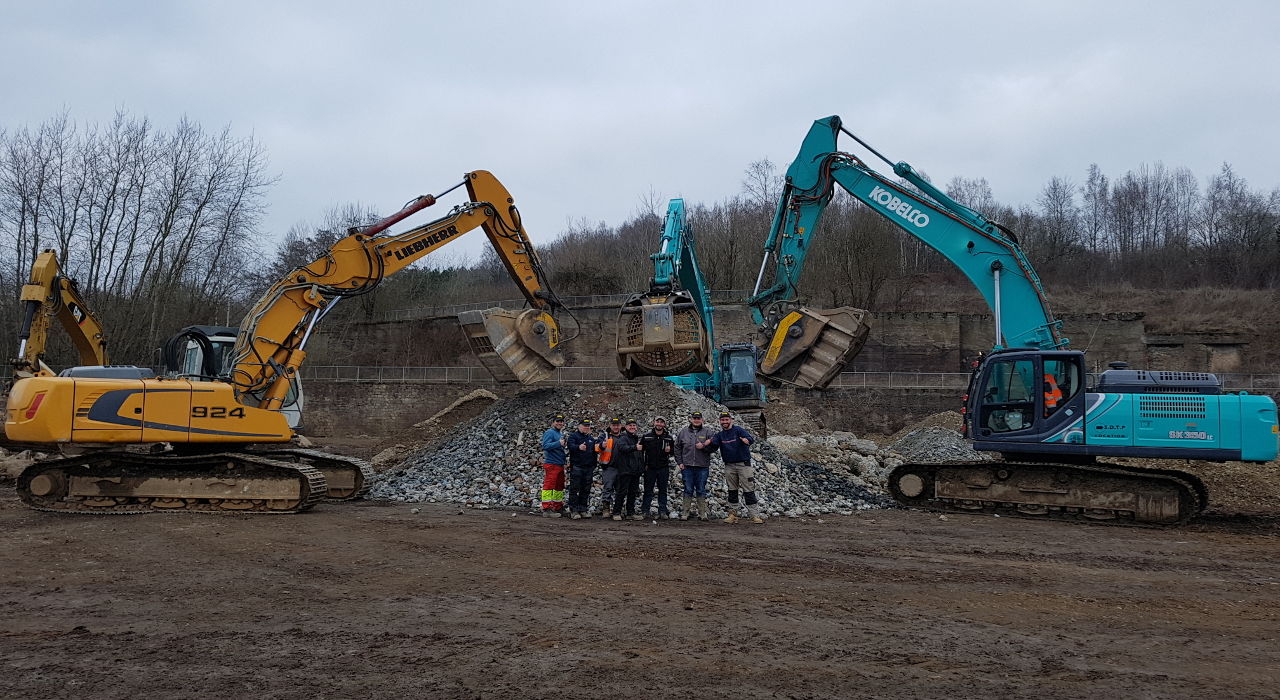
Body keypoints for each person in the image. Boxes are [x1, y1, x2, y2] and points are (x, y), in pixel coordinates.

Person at [706, 411, 762, 524]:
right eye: (723, 420)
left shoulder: (738, 430)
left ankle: (754, 515)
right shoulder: (720, 435)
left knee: (749, 489)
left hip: (743, 464)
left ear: (731, 420)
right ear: (720, 421)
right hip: (729, 466)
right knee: (732, 490)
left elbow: (750, 438)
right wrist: (704, 445)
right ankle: (733, 514)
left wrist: (747, 441)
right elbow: (713, 446)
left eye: (727, 420)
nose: (725, 422)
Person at [674, 411, 715, 521]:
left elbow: (714, 446)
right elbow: (677, 448)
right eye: (694, 418)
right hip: (687, 466)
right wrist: (680, 462)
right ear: (691, 419)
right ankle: (685, 512)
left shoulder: (708, 432)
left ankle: (702, 513)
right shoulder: (683, 432)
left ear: (702, 420)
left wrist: (704, 447)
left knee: (701, 489)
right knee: (688, 489)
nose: (696, 420)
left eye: (698, 418)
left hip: (702, 466)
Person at [639, 416, 675, 518]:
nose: (659, 424)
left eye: (661, 422)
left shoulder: (668, 438)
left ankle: (662, 511)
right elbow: (640, 451)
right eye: (657, 422)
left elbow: (674, 452)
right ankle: (645, 511)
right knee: (648, 490)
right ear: (654, 423)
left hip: (663, 468)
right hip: (650, 468)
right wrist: (643, 465)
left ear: (664, 424)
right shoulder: (646, 436)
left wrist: (670, 451)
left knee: (663, 490)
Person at [611, 418, 645, 520]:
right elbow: (622, 448)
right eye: (630, 425)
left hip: (635, 470)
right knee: (621, 492)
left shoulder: (636, 438)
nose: (632, 427)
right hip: (625, 470)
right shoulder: (623, 437)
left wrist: (641, 467)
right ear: (625, 427)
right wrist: (635, 447)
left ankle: (630, 512)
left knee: (632, 493)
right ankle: (616, 512)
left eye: (634, 425)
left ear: (636, 427)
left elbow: (639, 455)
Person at [565, 418, 599, 519]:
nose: (586, 427)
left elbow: (594, 451)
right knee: (575, 488)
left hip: (588, 467)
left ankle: (582, 509)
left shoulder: (590, 438)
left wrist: (594, 464)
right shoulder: (573, 436)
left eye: (588, 426)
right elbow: (570, 446)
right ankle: (573, 510)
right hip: (577, 466)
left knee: (586, 489)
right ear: (579, 426)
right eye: (585, 425)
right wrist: (578, 447)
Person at [538, 413, 568, 517]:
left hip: (559, 464)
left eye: (561, 421)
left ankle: (557, 506)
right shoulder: (550, 432)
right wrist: (558, 444)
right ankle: (546, 508)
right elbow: (545, 446)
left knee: (559, 486)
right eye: (557, 421)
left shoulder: (560, 434)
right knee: (549, 485)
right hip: (551, 463)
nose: (560, 423)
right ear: (553, 423)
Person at [596, 418, 625, 518]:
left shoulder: (624, 436)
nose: (616, 427)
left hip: (622, 468)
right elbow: (596, 447)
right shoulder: (605, 436)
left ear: (621, 426)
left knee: (620, 489)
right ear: (610, 426)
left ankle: (617, 510)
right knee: (608, 488)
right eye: (614, 425)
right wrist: (601, 445)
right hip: (609, 467)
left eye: (617, 425)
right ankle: (606, 509)